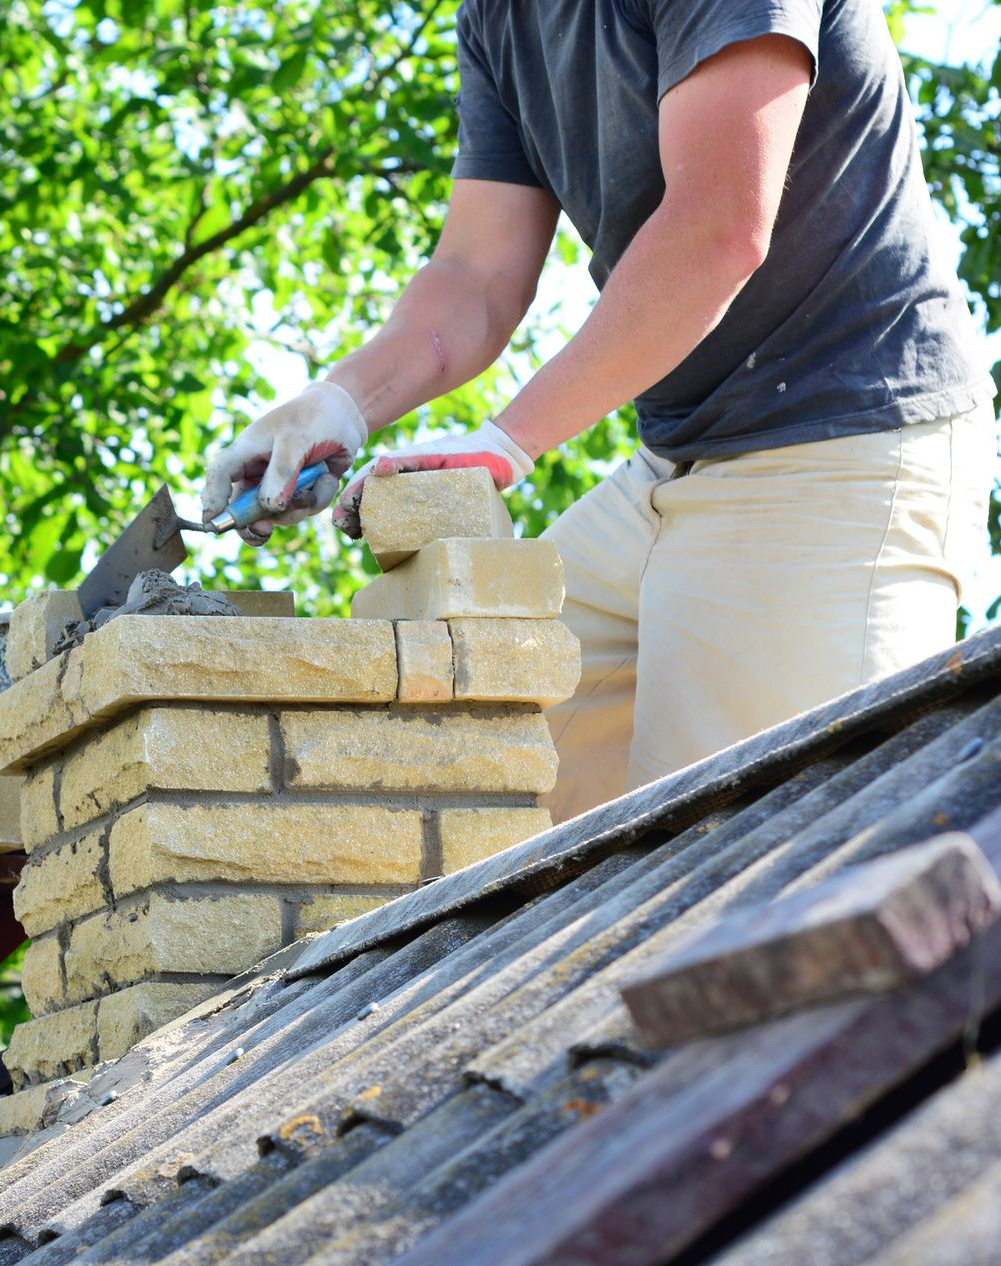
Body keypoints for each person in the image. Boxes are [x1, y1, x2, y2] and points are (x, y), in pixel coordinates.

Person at [202, 0, 995, 822]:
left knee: (742, 864)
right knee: (462, 774)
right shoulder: (498, 17)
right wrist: (335, 403)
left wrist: (509, 440)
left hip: (843, 451)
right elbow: (477, 273)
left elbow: (718, 226)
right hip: (676, 462)